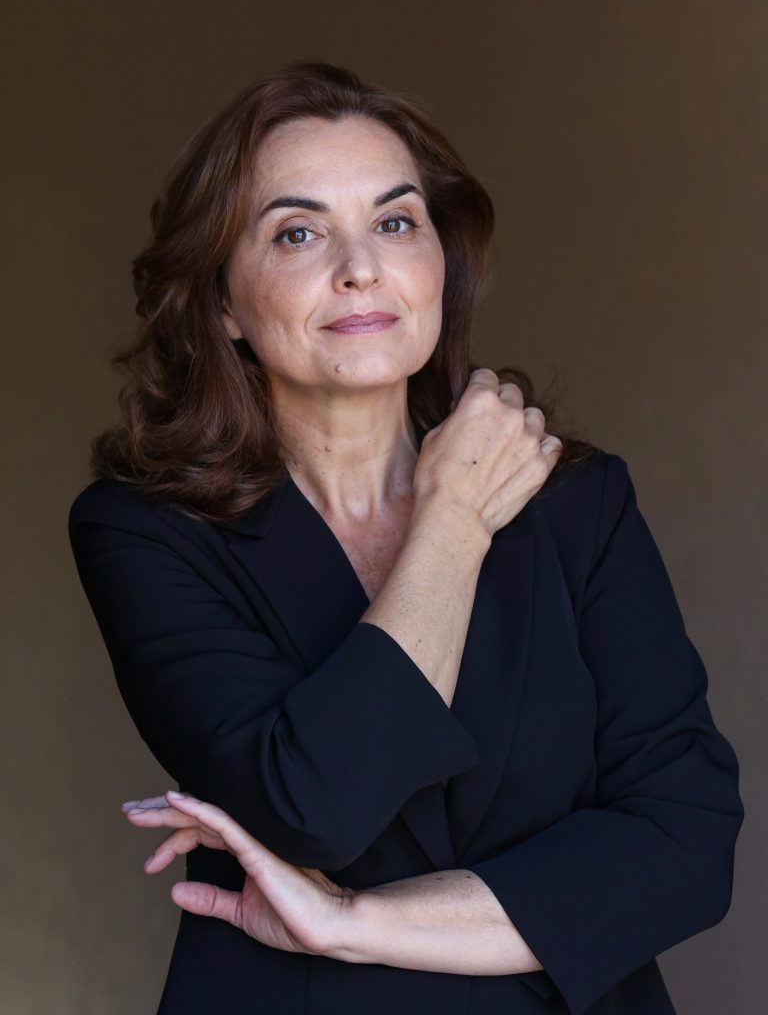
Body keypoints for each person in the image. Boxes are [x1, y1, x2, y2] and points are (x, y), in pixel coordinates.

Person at [68, 60, 743, 1015]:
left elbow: (686, 841)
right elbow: (318, 807)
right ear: (221, 303)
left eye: (395, 222)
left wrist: (357, 922)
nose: (361, 267)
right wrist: (453, 521)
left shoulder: (578, 505)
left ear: (441, 264)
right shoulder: (145, 531)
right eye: (298, 232)